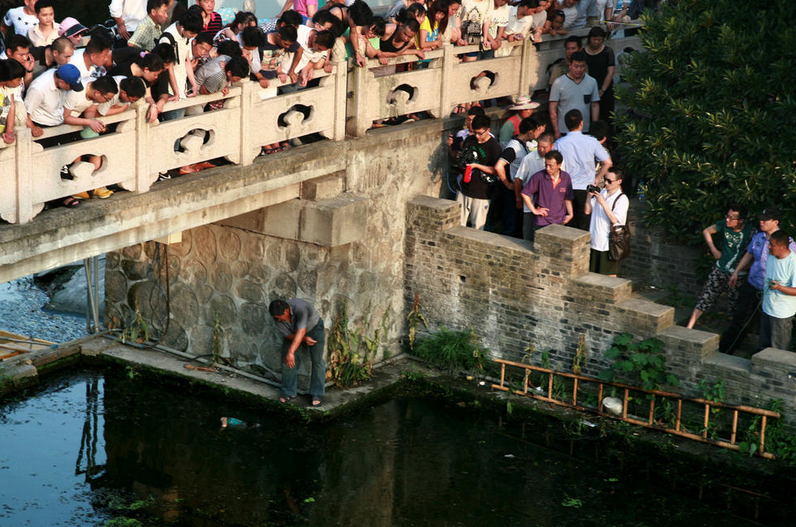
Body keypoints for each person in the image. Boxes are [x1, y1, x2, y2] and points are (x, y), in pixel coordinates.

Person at [724, 207, 796, 354]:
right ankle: (727, 349)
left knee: (771, 328)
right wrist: (737, 272)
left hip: (771, 292)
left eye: (765, 220)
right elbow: (749, 254)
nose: (761, 222)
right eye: (760, 219)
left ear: (775, 222)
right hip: (753, 284)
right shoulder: (759, 238)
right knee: (741, 318)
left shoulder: (787, 246)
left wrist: (779, 288)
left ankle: (768, 358)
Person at [686, 205, 755, 329]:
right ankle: (690, 325)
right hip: (720, 268)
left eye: (731, 218)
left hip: (737, 273)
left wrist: (747, 266)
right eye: (727, 216)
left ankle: (733, 332)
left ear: (741, 220)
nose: (727, 220)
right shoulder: (723, 224)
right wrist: (714, 250)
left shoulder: (750, 232)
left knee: (735, 303)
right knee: (707, 296)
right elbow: (706, 231)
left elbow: (754, 252)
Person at [554, 108, 612, 230]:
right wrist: (597, 177)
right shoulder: (592, 141)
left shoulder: (559, 143)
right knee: (585, 226)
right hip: (587, 189)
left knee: (567, 225)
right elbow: (608, 163)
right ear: (581, 123)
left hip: (566, 188)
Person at [493, 115, 545, 237]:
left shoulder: (523, 145)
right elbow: (498, 166)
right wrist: (508, 184)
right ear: (530, 132)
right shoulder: (514, 147)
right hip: (512, 192)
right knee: (510, 224)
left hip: (519, 190)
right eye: (537, 130)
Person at [269, 298, 326, 407]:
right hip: (294, 334)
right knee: (287, 360)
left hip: (314, 329)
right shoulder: (277, 319)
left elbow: (302, 330)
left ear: (286, 312)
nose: (277, 320)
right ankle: (289, 392)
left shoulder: (300, 307)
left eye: (278, 318)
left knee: (317, 361)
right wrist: (304, 340)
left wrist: (291, 352)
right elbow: (288, 335)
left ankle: (316, 393)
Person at [456, 114, 502, 229]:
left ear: (488, 130)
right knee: (457, 223)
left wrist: (477, 166)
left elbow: (497, 171)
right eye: (474, 132)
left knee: (477, 226)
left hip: (482, 193)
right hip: (464, 188)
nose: (477, 136)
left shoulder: (494, 147)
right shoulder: (469, 140)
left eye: (480, 133)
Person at [520, 149, 574, 243]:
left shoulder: (566, 177)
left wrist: (570, 214)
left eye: (551, 166)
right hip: (542, 221)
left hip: (559, 220)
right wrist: (534, 210)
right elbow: (525, 193)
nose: (548, 168)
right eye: (546, 165)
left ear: (559, 165)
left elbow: (567, 197)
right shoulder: (539, 177)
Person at [584, 167, 627, 276]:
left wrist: (603, 202)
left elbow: (615, 220)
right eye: (605, 179)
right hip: (594, 240)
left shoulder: (622, 199)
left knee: (610, 276)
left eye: (609, 181)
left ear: (619, 182)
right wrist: (589, 197)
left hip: (608, 244)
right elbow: (587, 211)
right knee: (592, 273)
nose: (606, 183)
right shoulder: (602, 192)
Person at [514, 132, 554, 241]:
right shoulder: (529, 159)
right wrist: (518, 199)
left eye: (544, 147)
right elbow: (518, 179)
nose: (541, 150)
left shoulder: (557, 160)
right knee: (528, 235)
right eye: (539, 147)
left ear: (552, 146)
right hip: (530, 204)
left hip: (550, 206)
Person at [549, 50, 599, 138]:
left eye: (582, 66)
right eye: (576, 66)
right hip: (564, 129)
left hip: (584, 129)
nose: (579, 70)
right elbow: (553, 107)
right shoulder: (559, 82)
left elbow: (594, 105)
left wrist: (594, 128)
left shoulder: (592, 82)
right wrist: (556, 130)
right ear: (570, 65)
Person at [760, 231, 796, 351]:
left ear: (783, 247)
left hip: (781, 314)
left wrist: (779, 288)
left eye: (772, 244)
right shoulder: (771, 255)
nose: (769, 246)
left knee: (779, 349)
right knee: (764, 345)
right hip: (767, 308)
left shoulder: (793, 263)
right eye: (769, 243)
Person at [583, 26, 615, 125]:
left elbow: (610, 72)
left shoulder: (607, 52)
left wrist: (602, 90)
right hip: (588, 88)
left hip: (605, 88)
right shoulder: (583, 52)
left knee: (607, 116)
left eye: (599, 40)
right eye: (594, 39)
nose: (596, 42)